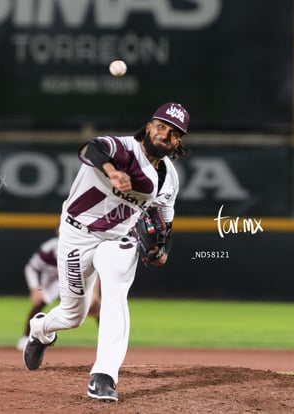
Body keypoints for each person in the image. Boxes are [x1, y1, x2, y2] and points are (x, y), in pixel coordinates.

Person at [23, 102, 190, 402]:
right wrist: (112, 172)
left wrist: (162, 250)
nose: (165, 134)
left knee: (115, 294)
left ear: (179, 142)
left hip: (118, 239)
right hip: (76, 234)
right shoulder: (122, 148)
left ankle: (104, 376)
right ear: (149, 126)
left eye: (174, 132)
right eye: (161, 126)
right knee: (74, 314)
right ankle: (41, 330)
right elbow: (92, 149)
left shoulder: (169, 179)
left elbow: (165, 220)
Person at [17, 236, 101, 351]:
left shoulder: (83, 245)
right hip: (53, 282)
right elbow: (31, 267)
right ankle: (27, 337)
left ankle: (107, 341)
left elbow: (94, 271)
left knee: (95, 306)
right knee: (39, 302)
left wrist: (94, 293)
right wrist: (34, 287)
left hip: (76, 279)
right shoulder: (48, 249)